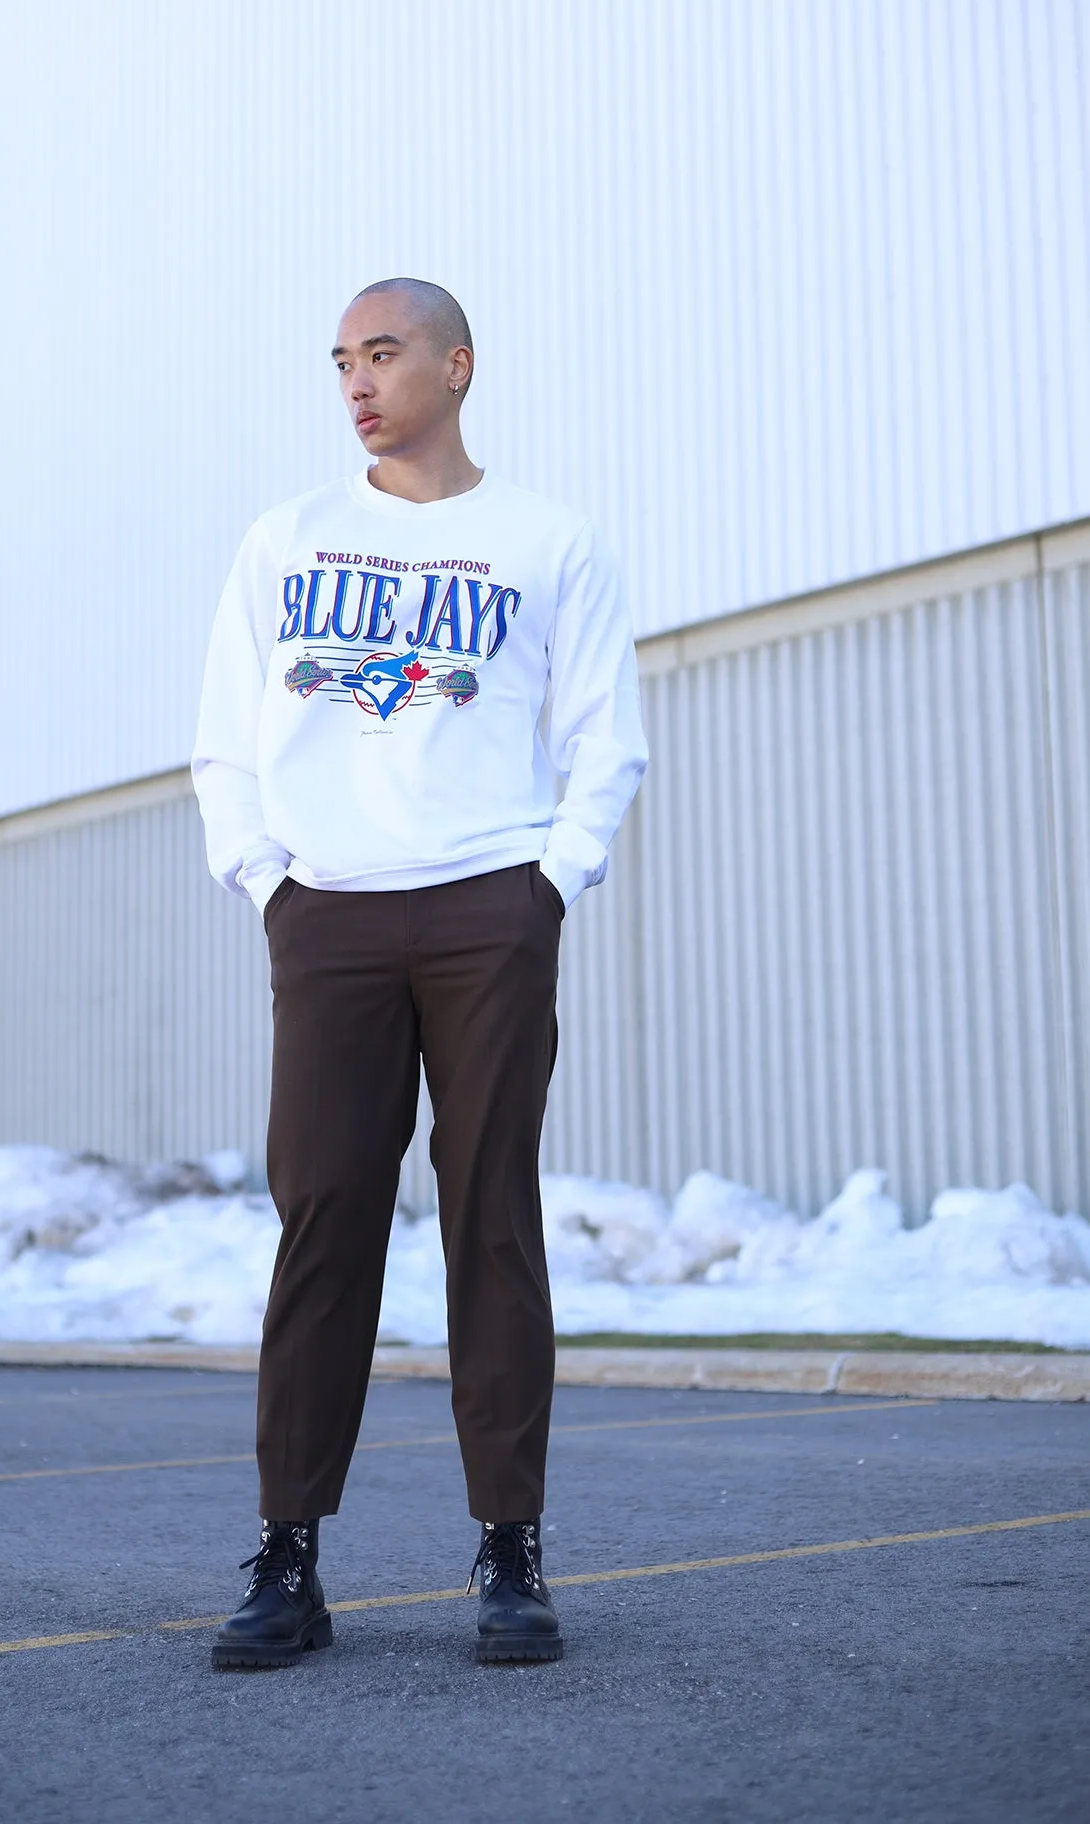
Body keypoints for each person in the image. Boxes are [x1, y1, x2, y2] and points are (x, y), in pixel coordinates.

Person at [191, 277, 648, 1669]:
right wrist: (271, 887)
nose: (356, 381)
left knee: (487, 1219)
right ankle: (288, 1560)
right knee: (321, 1218)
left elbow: (604, 734)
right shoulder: (288, 538)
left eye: (381, 354)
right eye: (340, 360)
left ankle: (509, 1554)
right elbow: (222, 736)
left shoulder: (545, 539)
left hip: (484, 912)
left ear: (456, 364)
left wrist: (545, 887)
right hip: (326, 914)